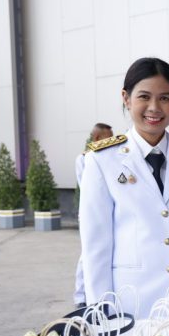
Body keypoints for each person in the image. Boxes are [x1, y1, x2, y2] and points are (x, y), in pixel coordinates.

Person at [79, 57, 169, 318]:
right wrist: (102, 314)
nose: (154, 108)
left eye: (165, 98)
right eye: (144, 97)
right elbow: (96, 247)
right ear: (126, 98)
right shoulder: (102, 161)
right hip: (133, 306)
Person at [73, 123, 114, 308]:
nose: (112, 139)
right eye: (108, 136)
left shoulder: (110, 156)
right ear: (97, 138)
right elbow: (89, 188)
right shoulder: (85, 158)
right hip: (91, 212)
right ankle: (81, 296)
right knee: (88, 253)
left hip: (109, 210)